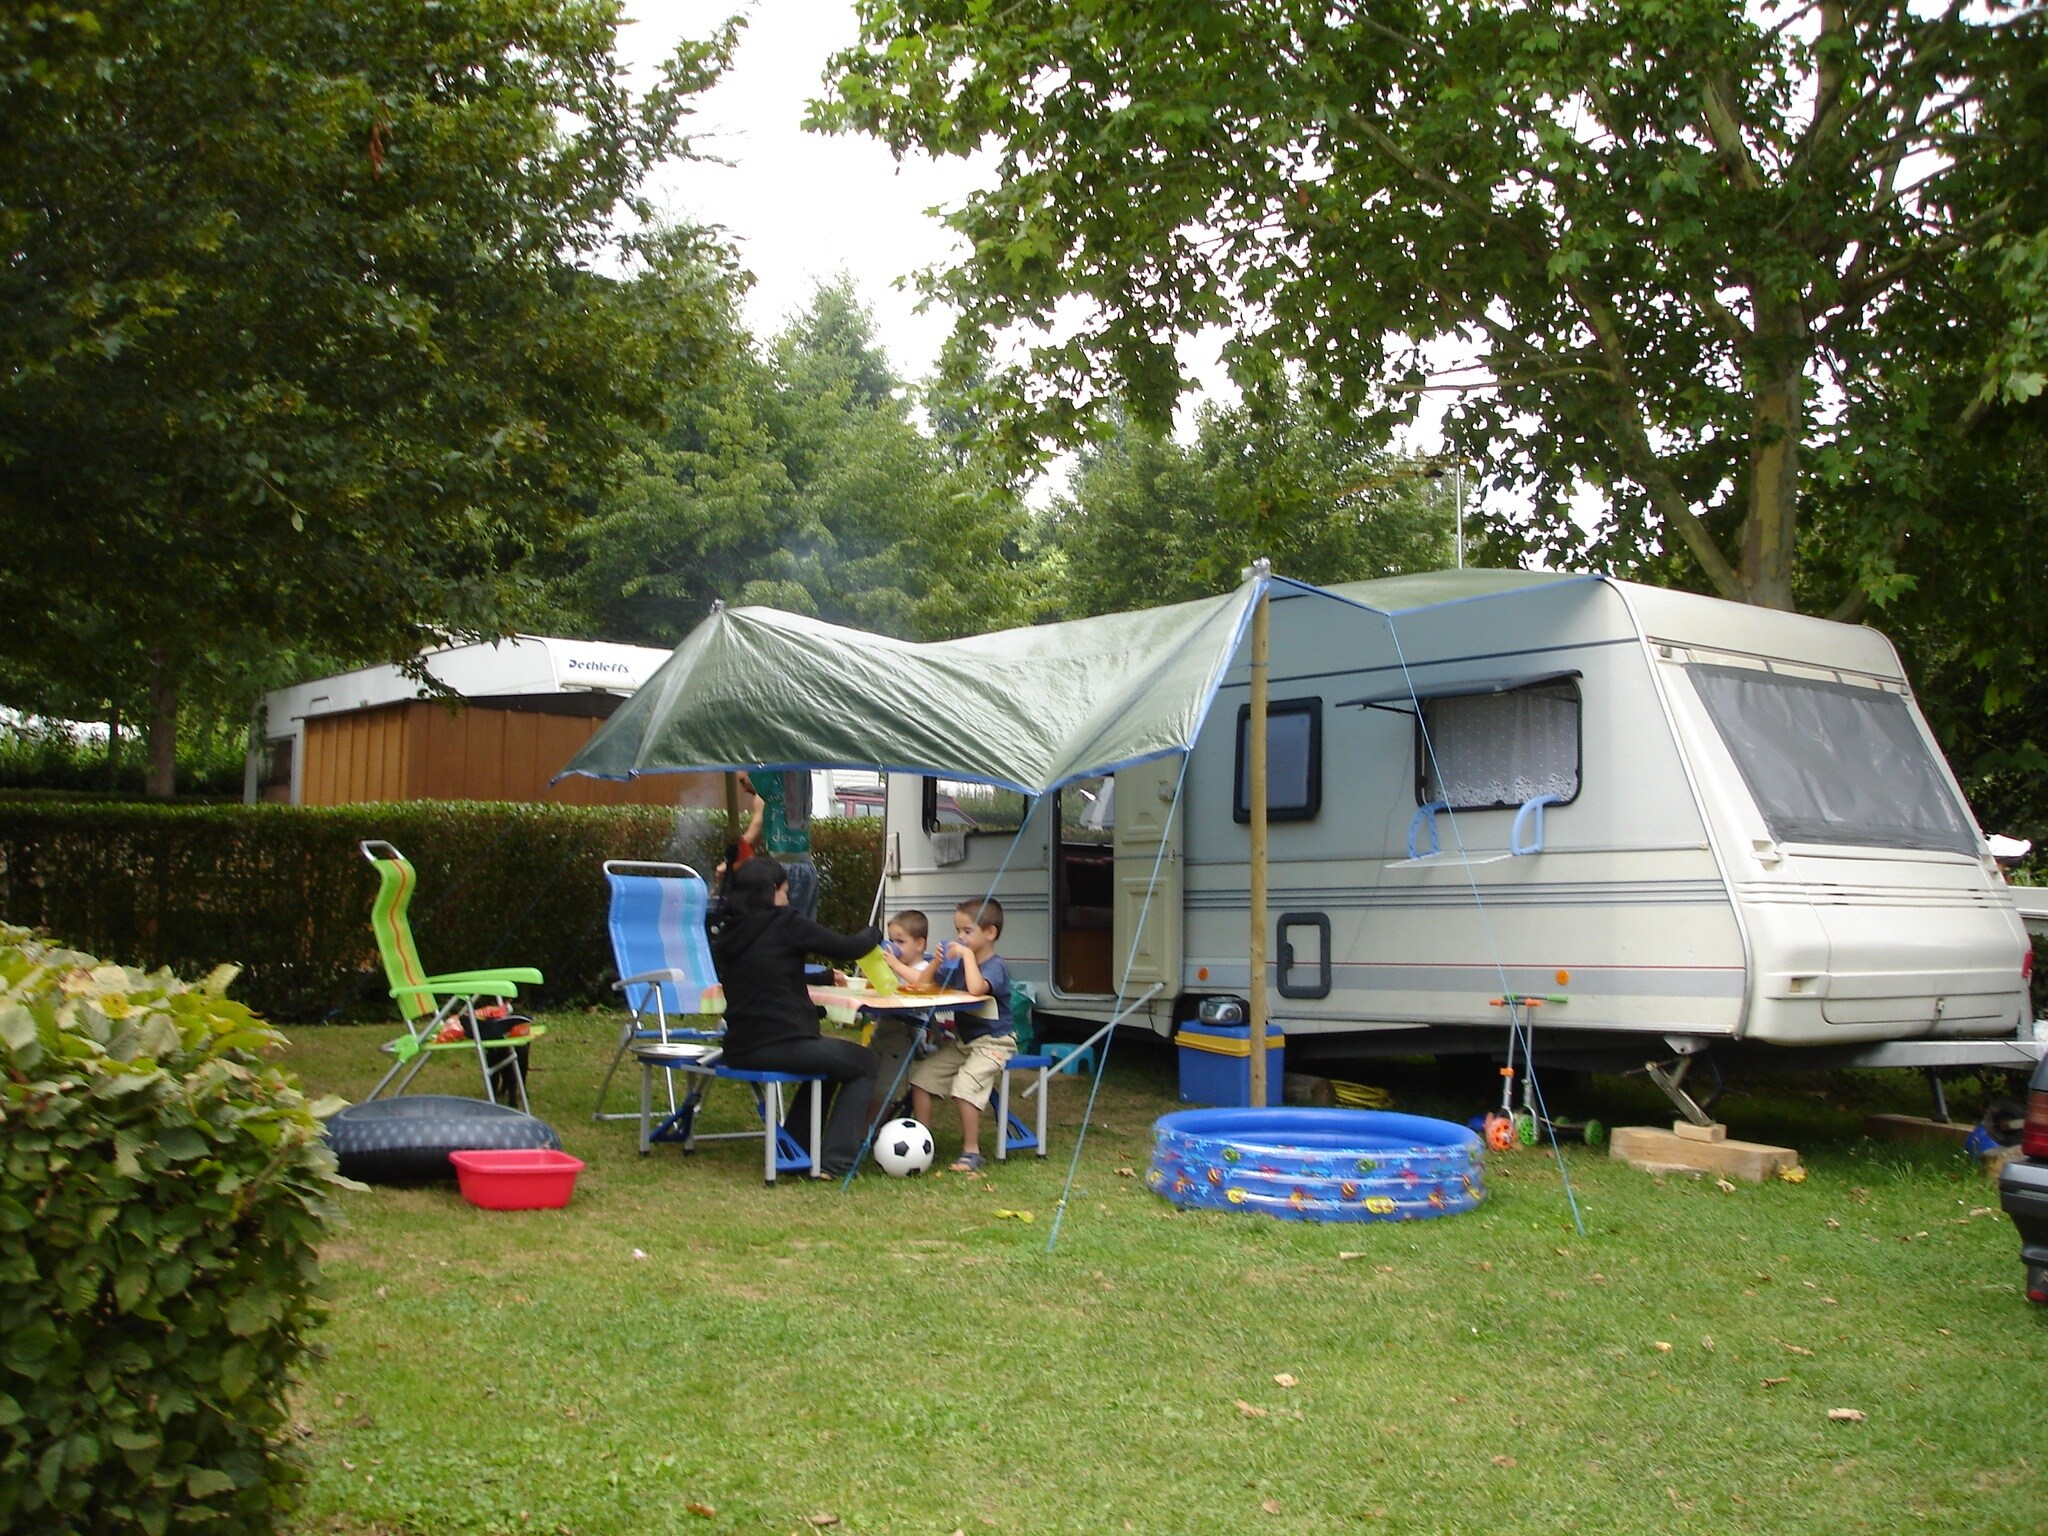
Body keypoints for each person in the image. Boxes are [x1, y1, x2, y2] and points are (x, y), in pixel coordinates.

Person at [709, 856, 882, 1177]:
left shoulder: (729, 933)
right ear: (771, 891)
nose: (787, 899)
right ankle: (837, 1161)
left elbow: (769, 968)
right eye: (785, 892)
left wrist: (820, 979)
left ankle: (799, 1147)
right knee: (864, 1063)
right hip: (783, 1045)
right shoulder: (785, 922)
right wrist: (875, 932)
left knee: (831, 1068)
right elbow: (848, 947)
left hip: (741, 1049)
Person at [909, 897, 1015, 1172]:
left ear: (990, 933)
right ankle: (922, 1142)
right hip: (964, 1043)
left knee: (964, 1087)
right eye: (958, 931)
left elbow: (977, 988)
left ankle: (971, 1151)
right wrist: (935, 964)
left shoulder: (995, 966)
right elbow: (922, 985)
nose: (960, 937)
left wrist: (967, 956)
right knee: (921, 1079)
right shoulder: (959, 963)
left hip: (996, 1042)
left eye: (967, 931)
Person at [739, 768, 819, 920]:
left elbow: (753, 832)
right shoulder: (784, 789)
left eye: (743, 780)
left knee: (787, 929)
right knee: (803, 930)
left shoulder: (767, 795)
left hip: (788, 868)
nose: (744, 788)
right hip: (806, 866)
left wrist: (729, 861)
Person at [880, 909, 931, 987]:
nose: (894, 946)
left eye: (900, 941)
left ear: (919, 945)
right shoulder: (898, 967)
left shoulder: (925, 968)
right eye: (891, 941)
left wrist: (896, 965)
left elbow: (921, 980)